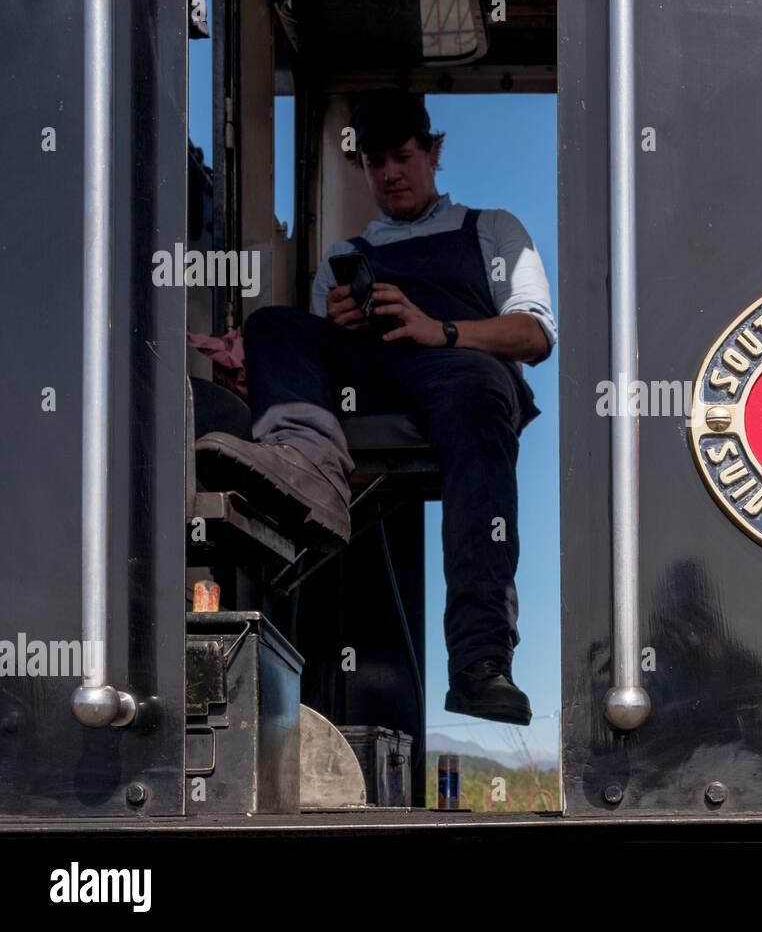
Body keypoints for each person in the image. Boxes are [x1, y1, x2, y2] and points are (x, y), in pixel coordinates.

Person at [196, 89, 556, 726]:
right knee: (274, 326)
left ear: (433, 153)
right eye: (375, 161)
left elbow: (533, 336)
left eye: (403, 156)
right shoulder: (344, 257)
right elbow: (306, 361)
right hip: (372, 372)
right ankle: (306, 466)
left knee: (480, 388)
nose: (389, 173)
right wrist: (282, 348)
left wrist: (437, 328)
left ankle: (480, 661)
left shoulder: (494, 229)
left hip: (457, 369)